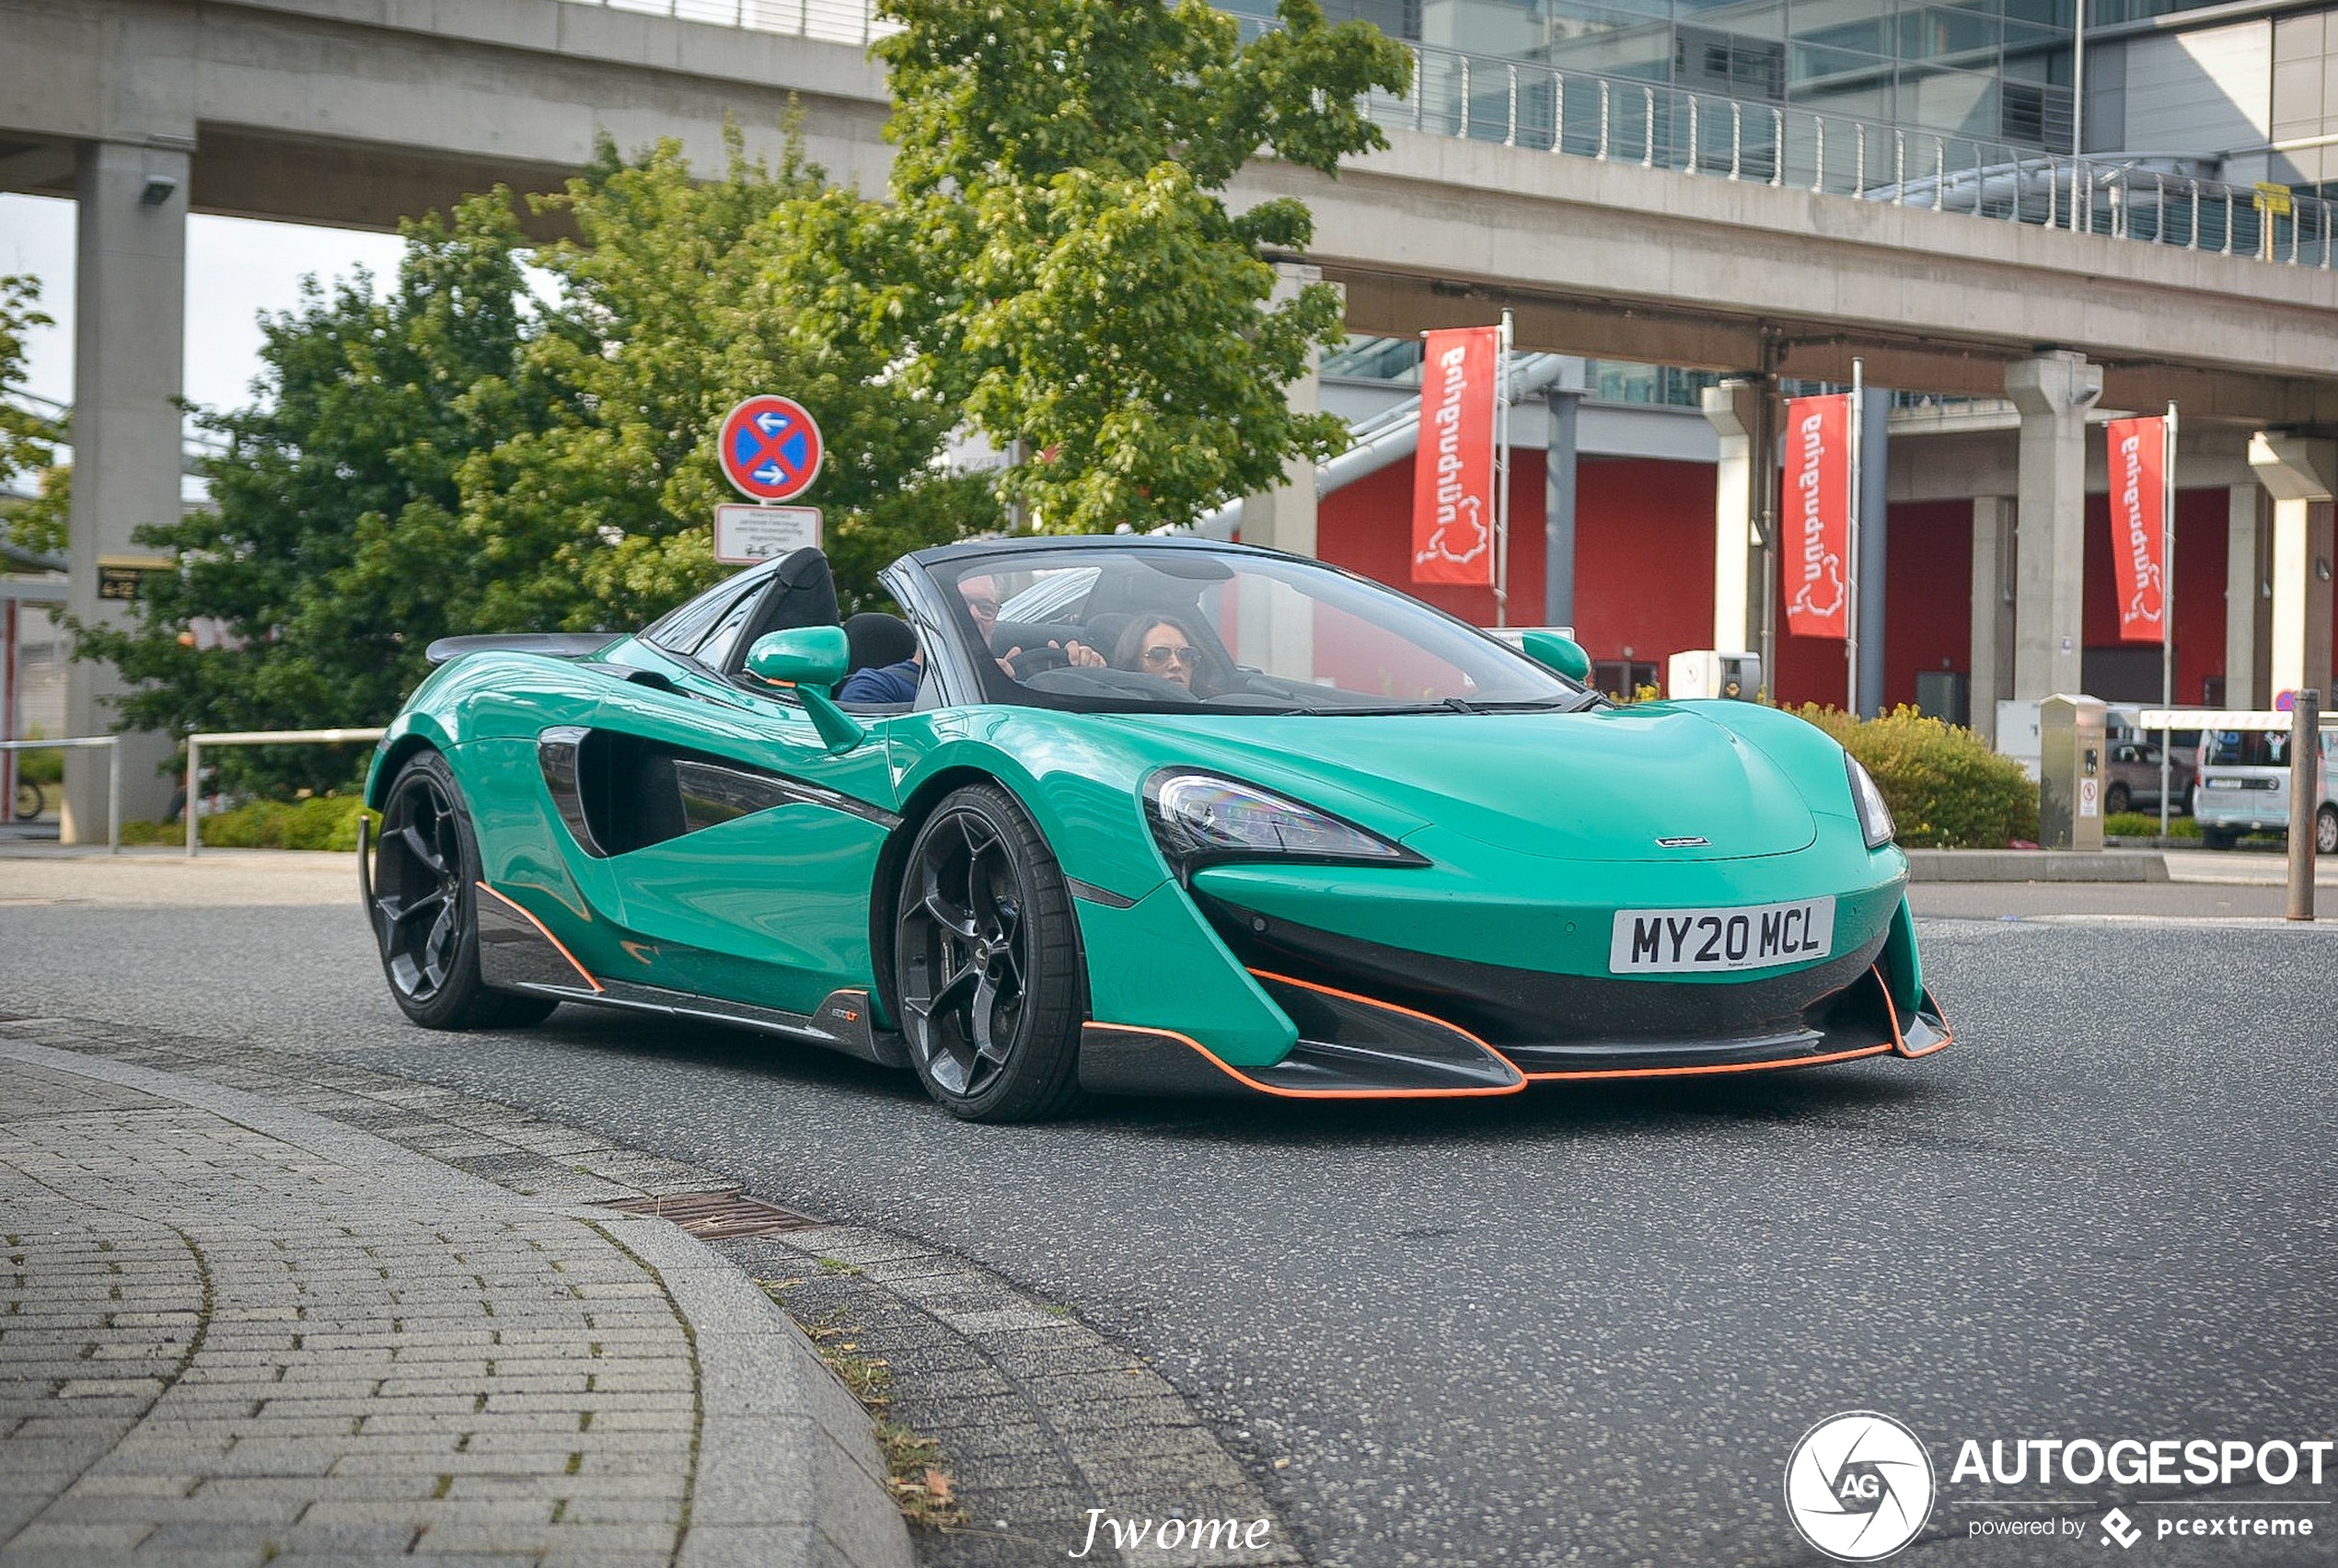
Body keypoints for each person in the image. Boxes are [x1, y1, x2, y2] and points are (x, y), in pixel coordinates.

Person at [1113, 613, 1210, 695]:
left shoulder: (1215, 710)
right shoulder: (1117, 712)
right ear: (1134, 664)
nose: (1176, 665)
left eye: (1186, 655)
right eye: (1159, 654)